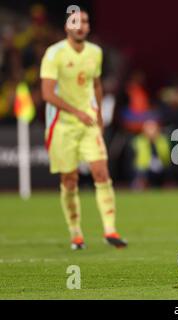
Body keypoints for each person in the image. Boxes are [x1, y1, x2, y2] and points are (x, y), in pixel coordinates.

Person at [40, 8, 127, 250]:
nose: (81, 26)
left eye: (85, 22)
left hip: (88, 123)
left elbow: (96, 84)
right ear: (67, 26)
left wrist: (98, 112)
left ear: (88, 27)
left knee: (101, 172)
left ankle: (110, 230)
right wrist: (76, 111)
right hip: (62, 125)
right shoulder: (54, 54)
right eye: (76, 21)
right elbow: (47, 93)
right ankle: (76, 233)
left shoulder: (95, 53)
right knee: (70, 179)